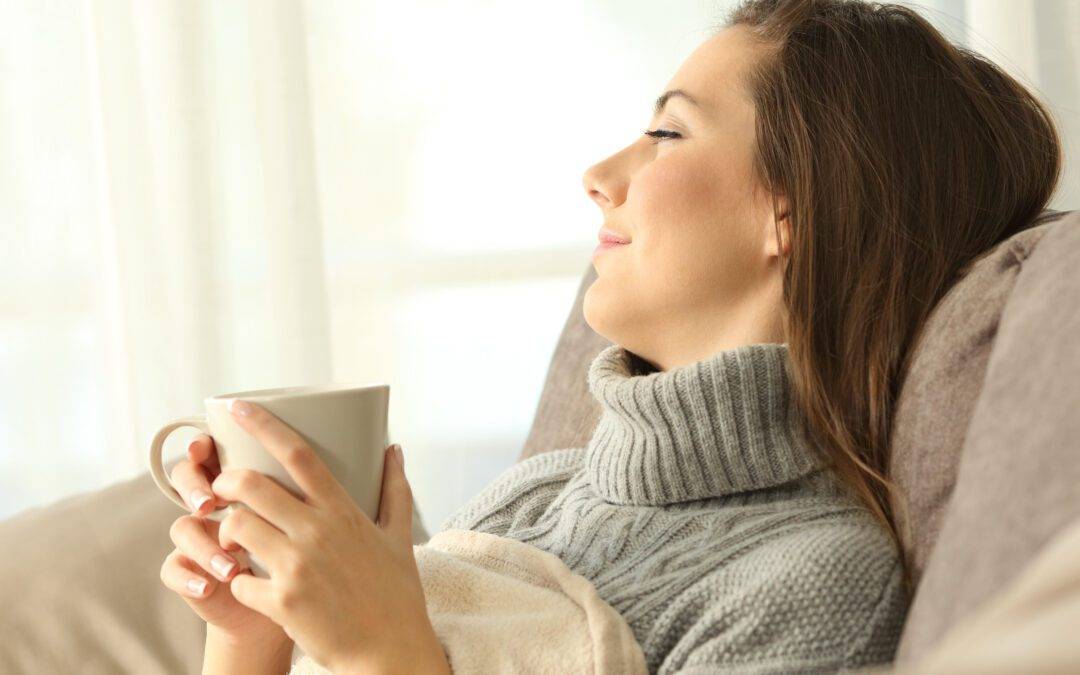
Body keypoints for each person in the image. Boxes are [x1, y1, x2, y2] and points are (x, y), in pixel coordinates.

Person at [159, 0, 1063, 673]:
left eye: (668, 131)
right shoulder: (534, 498)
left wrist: (382, 647)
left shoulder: (814, 582)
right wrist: (252, 632)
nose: (598, 175)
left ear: (792, 212)